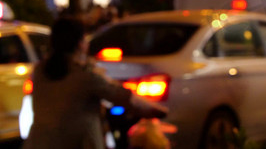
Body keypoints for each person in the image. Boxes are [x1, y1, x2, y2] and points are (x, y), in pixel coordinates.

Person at [23, 17, 168, 149]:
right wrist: (159, 111)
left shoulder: (40, 70)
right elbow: (126, 97)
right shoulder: (84, 75)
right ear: (80, 44)